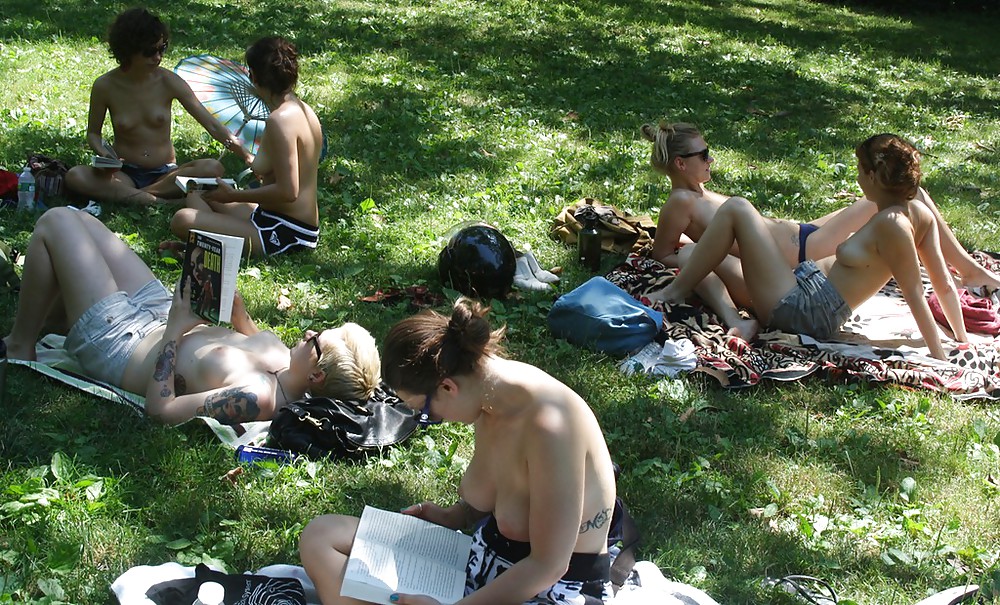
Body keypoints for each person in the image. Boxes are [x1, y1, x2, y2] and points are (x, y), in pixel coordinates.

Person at [299, 299, 618, 604]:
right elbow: (506, 495)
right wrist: (454, 516)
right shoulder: (489, 398)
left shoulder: (550, 427)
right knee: (322, 535)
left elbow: (549, 566)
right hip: (484, 565)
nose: (430, 421)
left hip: (548, 589)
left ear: (448, 387)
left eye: (425, 413)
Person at [2, 207, 380, 425]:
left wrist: (174, 330)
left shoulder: (255, 397)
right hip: (161, 312)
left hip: (122, 340)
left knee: (56, 221)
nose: (310, 332)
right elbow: (250, 337)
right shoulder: (289, 365)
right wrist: (239, 316)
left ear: (317, 375)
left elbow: (160, 409)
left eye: (316, 340)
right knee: (81, 220)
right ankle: (56, 314)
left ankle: (21, 345)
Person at [640, 122, 1000, 337]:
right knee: (902, 201)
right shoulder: (680, 202)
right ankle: (965, 270)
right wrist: (689, 252)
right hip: (799, 258)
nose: (711, 158)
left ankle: (966, 268)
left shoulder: (699, 191)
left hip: (804, 236)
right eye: (704, 155)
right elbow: (663, 251)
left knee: (913, 193)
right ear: (681, 164)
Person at [65, 8, 251, 206]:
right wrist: (104, 154)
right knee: (75, 175)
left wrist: (247, 156)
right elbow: (93, 134)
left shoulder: (168, 81)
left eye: (162, 48)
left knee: (212, 168)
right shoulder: (105, 86)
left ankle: (137, 196)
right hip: (124, 173)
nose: (158, 57)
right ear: (128, 51)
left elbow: (212, 125)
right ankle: (160, 201)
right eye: (149, 52)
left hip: (166, 174)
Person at [169, 36, 323, 257]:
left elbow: (289, 192)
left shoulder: (280, 120)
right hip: (267, 216)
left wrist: (234, 196)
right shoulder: (302, 109)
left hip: (287, 232)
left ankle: (206, 246)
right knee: (198, 195)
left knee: (182, 219)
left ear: (255, 77)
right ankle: (207, 243)